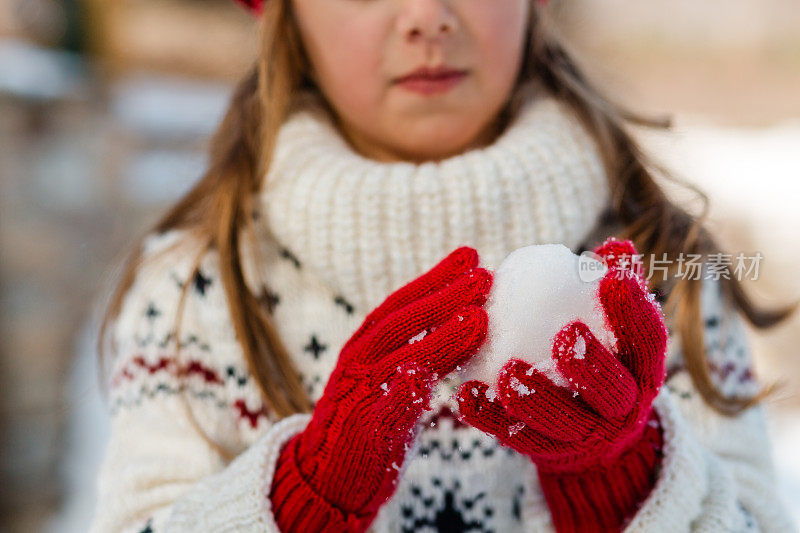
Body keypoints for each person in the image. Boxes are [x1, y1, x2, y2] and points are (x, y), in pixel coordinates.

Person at [88, 0, 797, 531]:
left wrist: (622, 480)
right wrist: (308, 498)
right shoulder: (195, 292)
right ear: (282, 13)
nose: (427, 17)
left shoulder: (655, 276)